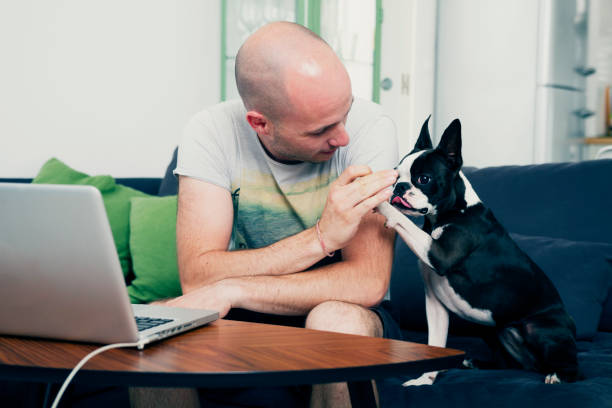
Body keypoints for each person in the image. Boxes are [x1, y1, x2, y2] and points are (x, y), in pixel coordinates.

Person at [165, 21, 400, 408]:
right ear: (260, 123)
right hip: (244, 318)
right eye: (322, 129)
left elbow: (367, 282)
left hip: (346, 310)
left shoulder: (371, 128)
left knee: (335, 322)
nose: (342, 137)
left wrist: (236, 286)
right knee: (158, 326)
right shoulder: (209, 133)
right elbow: (197, 276)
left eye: (345, 112)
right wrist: (321, 238)